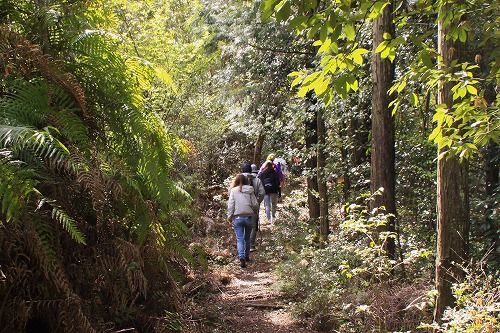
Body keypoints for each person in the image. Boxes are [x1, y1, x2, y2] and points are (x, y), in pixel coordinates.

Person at [227, 174, 259, 268]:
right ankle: (246, 256)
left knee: (240, 239)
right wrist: (253, 209)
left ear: (236, 181)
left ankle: (241, 258)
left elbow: (231, 205)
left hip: (237, 218)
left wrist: (229, 217)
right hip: (249, 217)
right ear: (246, 181)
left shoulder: (233, 191)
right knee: (247, 238)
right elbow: (255, 204)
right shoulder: (250, 190)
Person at [241, 163, 265, 252]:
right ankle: (251, 245)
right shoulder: (257, 180)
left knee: (242, 224)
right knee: (253, 225)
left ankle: (243, 245)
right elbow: (262, 193)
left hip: (241, 206)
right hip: (253, 207)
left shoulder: (238, 179)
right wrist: (257, 201)